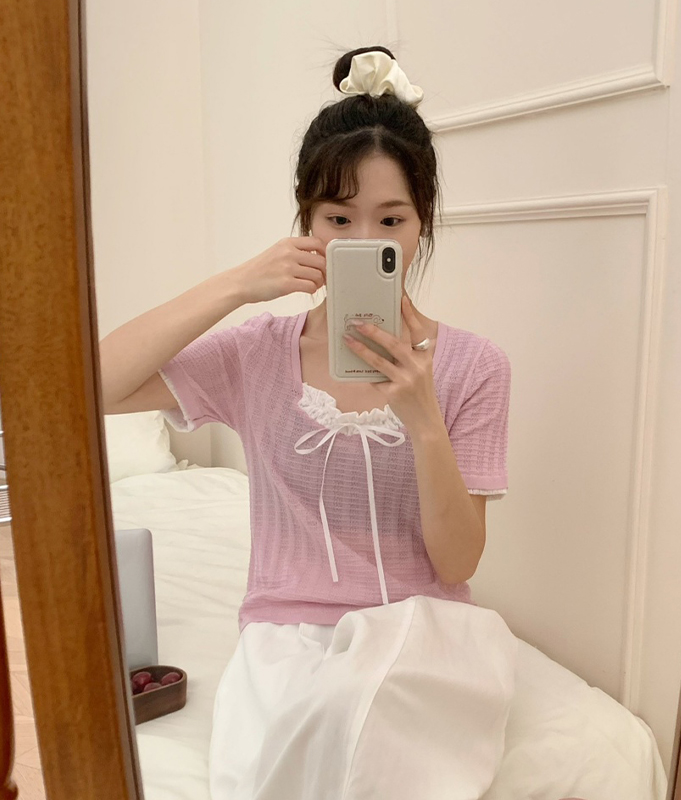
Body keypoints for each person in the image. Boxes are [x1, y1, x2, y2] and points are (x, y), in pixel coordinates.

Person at [101, 46, 519, 800]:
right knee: (317, 725)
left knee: (363, 717)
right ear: (306, 222)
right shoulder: (256, 355)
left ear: (422, 225)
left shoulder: (474, 367)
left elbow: (458, 564)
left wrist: (424, 422)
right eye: (338, 218)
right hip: (286, 642)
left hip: (425, 637)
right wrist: (236, 286)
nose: (362, 242)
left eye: (391, 219)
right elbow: (87, 384)